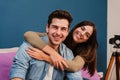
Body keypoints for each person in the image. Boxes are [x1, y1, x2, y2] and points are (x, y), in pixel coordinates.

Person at [10, 9, 83, 80]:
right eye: (55, 27)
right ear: (47, 28)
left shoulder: (68, 53)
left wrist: (48, 57)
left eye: (63, 29)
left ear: (67, 32)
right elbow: (18, 72)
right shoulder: (29, 46)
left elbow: (75, 77)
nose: (58, 33)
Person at [24, 20, 99, 79]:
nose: (82, 33)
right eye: (82, 29)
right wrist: (53, 53)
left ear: (87, 40)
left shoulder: (85, 51)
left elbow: (74, 66)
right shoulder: (61, 35)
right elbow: (28, 34)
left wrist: (46, 57)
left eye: (87, 35)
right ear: (76, 27)